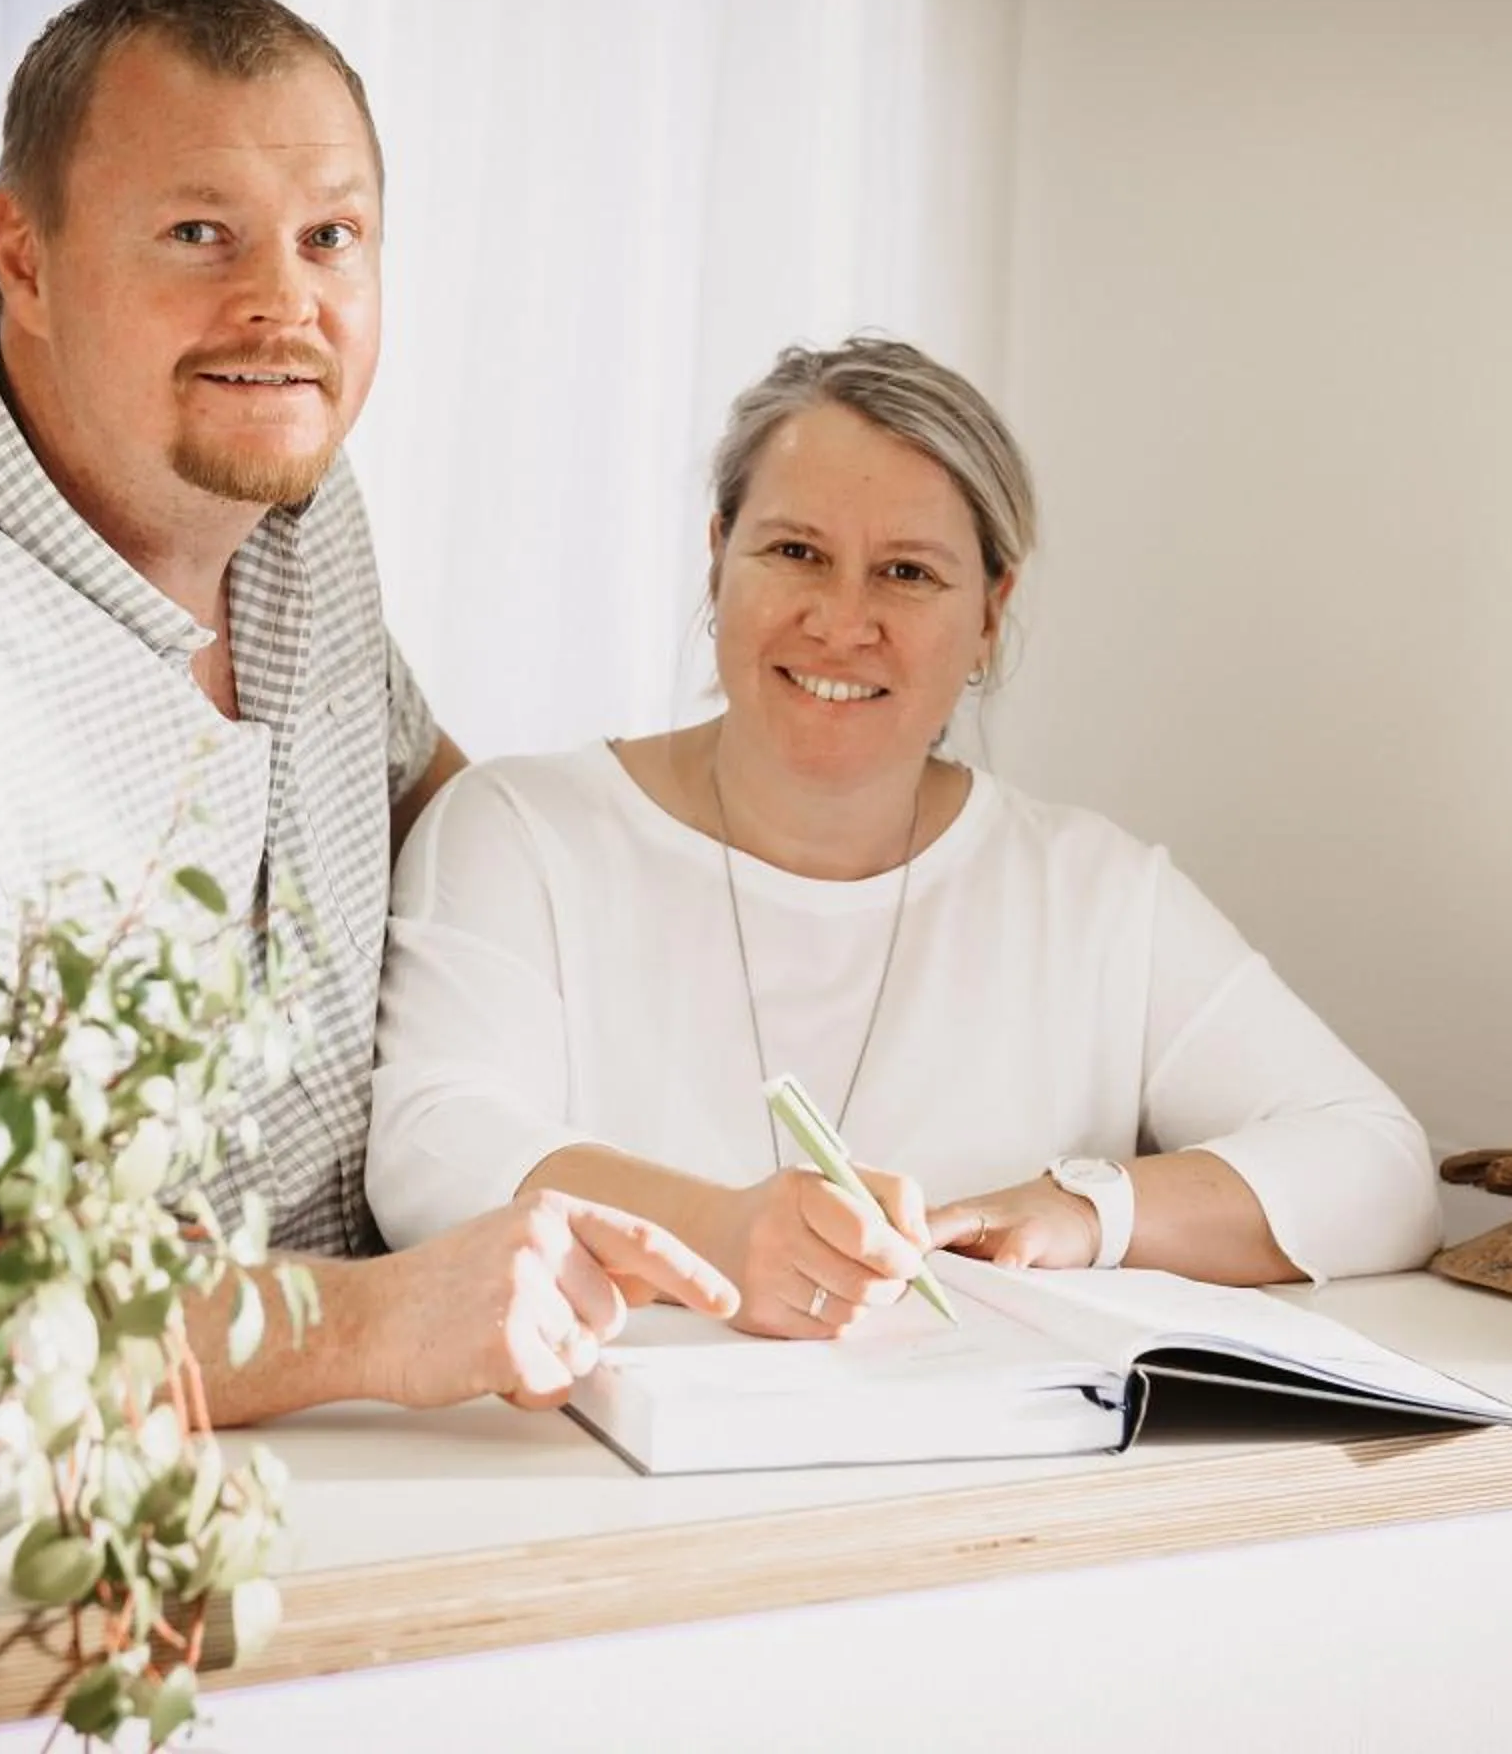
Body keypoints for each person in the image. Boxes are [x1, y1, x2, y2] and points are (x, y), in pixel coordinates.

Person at [0, 0, 735, 1418]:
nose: (282, 307)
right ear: (24, 257)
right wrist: (357, 1327)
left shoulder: (293, 506)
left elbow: (439, 821)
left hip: (407, 1462)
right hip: (36, 1544)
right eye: (200, 235)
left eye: (329, 238)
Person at [366, 337, 1441, 1336]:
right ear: (717, 559)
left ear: (989, 611)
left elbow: (1380, 1167)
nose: (842, 620)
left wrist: (1085, 1209)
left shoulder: (1094, 890)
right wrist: (721, 1229)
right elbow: (433, 1149)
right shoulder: (518, 830)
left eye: (909, 571)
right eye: (795, 550)